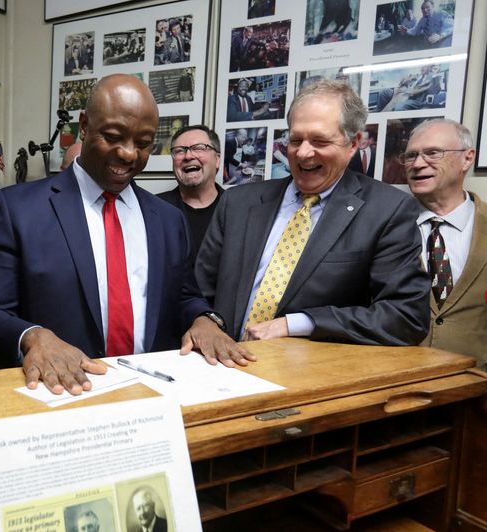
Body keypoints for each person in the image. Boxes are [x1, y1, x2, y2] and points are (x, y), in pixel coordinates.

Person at [0, 74, 255, 396]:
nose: (129, 154)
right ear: (85, 126)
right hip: (64, 396)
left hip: (151, 398)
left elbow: (184, 297)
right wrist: (33, 336)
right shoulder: (20, 208)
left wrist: (203, 320)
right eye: (114, 136)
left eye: (143, 143)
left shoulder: (168, 220)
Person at [196, 80, 430, 345]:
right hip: (219, 369)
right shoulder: (237, 202)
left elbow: (406, 316)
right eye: (295, 140)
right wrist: (204, 320)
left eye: (319, 141)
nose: (303, 153)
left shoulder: (387, 211)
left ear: (353, 143)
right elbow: (197, 292)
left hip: (307, 375)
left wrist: (299, 324)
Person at [403, 119, 486, 367]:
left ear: (467, 158)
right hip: (394, 383)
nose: (418, 164)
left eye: (432, 153)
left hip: (475, 389)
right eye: (411, 156)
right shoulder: (385, 225)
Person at [157, 124, 222, 266]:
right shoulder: (154, 209)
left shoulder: (238, 209)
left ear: (217, 160)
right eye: (179, 151)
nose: (188, 156)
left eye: (199, 148)